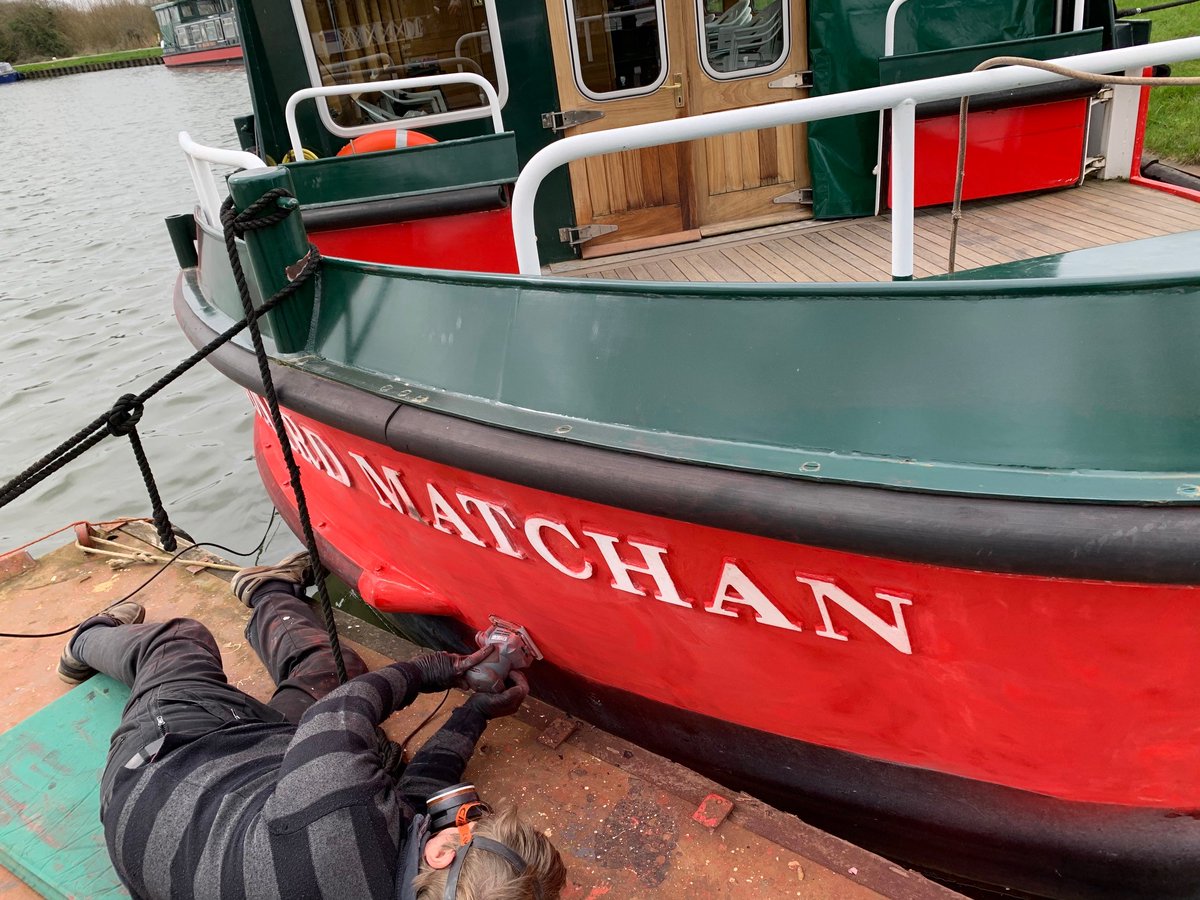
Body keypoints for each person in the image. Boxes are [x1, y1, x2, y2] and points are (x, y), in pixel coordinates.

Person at [56, 551, 566, 900]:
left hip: (170, 766)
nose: (463, 811)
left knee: (180, 642)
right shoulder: (405, 870)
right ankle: (269, 592)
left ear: (437, 851)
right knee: (325, 671)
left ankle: (86, 637)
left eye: (470, 819)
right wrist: (474, 711)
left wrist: (439, 669)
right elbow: (415, 800)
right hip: (243, 817)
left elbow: (342, 710)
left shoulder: (342, 814)